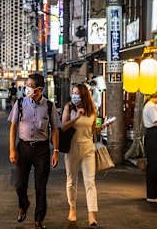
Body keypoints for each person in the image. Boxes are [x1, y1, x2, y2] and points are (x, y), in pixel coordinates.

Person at [8, 73, 60, 229]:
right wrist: (12, 149)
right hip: (23, 148)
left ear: (39, 89)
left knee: (40, 187)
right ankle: (23, 205)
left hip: (41, 150)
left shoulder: (50, 106)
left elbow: (55, 130)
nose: (27, 88)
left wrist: (56, 150)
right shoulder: (20, 103)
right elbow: (13, 127)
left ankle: (39, 219)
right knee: (19, 185)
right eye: (27, 85)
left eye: (30, 86)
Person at [61, 83, 98, 226]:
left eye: (77, 92)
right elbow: (63, 126)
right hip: (72, 148)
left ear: (84, 95)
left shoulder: (92, 109)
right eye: (73, 92)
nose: (74, 95)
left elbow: (93, 129)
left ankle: (91, 214)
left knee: (90, 182)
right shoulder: (68, 107)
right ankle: (72, 208)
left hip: (88, 148)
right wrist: (76, 118)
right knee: (71, 181)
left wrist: (103, 126)